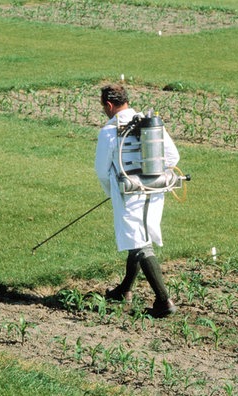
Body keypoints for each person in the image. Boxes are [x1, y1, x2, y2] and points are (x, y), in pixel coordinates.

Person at [94, 83, 179, 318]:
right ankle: (124, 290)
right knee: (139, 236)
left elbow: (102, 171)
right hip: (155, 190)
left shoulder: (109, 132)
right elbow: (172, 156)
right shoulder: (149, 122)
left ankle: (164, 301)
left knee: (140, 243)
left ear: (109, 105)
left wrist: (112, 191)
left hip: (129, 192)